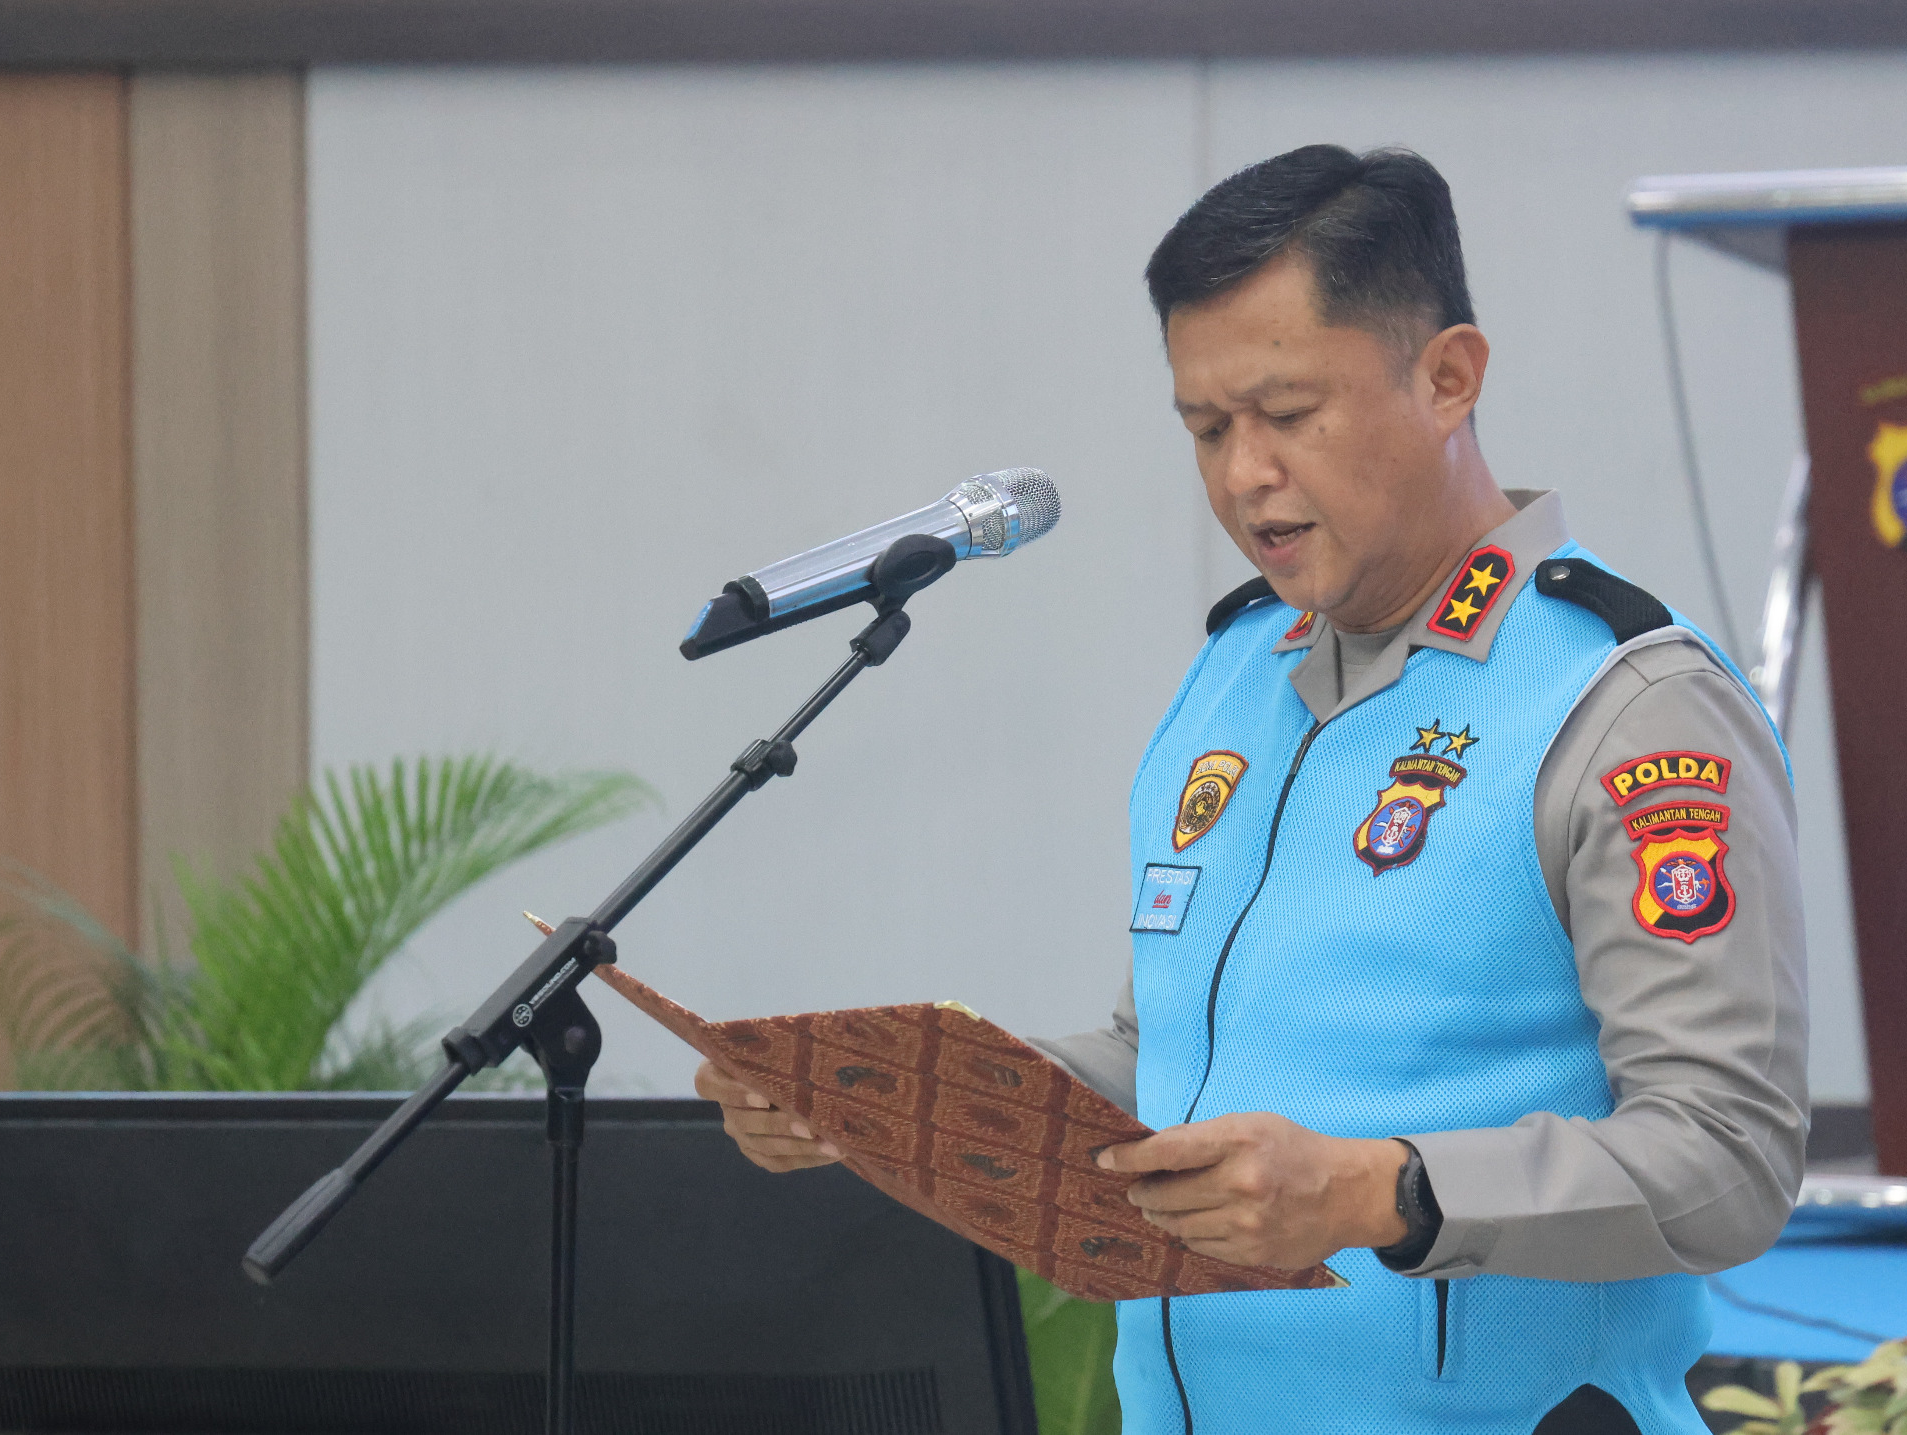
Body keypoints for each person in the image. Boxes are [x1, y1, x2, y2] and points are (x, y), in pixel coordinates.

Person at [698, 143, 1808, 1434]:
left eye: (1287, 413)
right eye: (1207, 428)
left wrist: (1384, 1193)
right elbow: (1169, 1065)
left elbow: (1728, 1154)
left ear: (1449, 378)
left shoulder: (1623, 702)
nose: (1242, 476)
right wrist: (892, 1095)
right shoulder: (1235, 670)